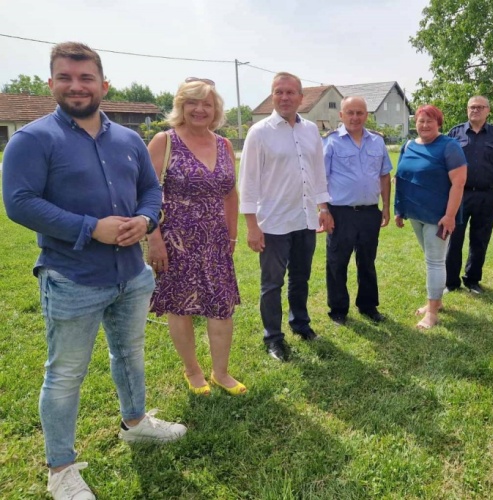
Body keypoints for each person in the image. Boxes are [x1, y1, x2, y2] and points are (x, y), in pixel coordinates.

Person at [2, 42, 186, 500]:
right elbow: (19, 203)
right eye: (65, 77)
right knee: (65, 374)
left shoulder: (129, 140)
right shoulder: (33, 139)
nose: (76, 86)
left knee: (130, 355)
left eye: (86, 78)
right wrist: (91, 229)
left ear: (104, 85)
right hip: (71, 278)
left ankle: (136, 422)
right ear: (51, 84)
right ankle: (60, 469)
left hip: (131, 274)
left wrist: (146, 220)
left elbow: (150, 189)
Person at [146, 78, 245, 395]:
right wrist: (154, 239)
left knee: (221, 306)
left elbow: (231, 194)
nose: (200, 109)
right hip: (175, 241)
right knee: (180, 307)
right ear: (181, 106)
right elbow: (145, 194)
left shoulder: (224, 144)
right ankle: (192, 370)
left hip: (216, 241)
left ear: (216, 109)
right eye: (193, 102)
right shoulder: (165, 141)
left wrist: (232, 236)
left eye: (207, 103)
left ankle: (221, 372)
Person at [239, 72, 334, 362]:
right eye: (278, 92)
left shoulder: (310, 131)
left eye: (290, 92)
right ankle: (273, 338)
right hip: (274, 222)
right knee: (272, 283)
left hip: (305, 219)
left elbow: (317, 172)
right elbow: (248, 181)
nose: (284, 97)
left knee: (301, 278)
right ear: (272, 96)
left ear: (300, 97)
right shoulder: (260, 132)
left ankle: (300, 324)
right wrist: (252, 226)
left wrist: (324, 208)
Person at [394, 105, 467, 329]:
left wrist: (449, 216)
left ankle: (432, 313)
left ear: (439, 123)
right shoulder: (408, 146)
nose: (424, 125)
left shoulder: (449, 146)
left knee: (434, 262)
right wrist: (399, 209)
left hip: (438, 217)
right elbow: (401, 178)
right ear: (415, 122)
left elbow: (458, 183)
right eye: (421, 121)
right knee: (432, 259)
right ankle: (436, 301)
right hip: (415, 214)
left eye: (430, 121)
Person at [323, 96, 392, 325]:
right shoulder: (331, 142)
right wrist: (324, 210)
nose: (355, 117)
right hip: (340, 212)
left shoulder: (377, 142)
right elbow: (319, 178)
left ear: (367, 115)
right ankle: (338, 310)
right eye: (350, 113)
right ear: (341, 115)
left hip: (370, 212)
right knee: (337, 262)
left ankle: (368, 306)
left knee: (367, 261)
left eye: (360, 113)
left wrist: (386, 207)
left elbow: (384, 176)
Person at [445, 96, 493, 294]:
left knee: (480, 239)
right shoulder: (455, 133)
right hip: (459, 195)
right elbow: (445, 165)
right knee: (453, 239)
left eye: (479, 107)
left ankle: (473, 280)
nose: (475, 110)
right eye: (471, 107)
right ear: (467, 110)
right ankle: (451, 282)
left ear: (488, 110)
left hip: (486, 195)